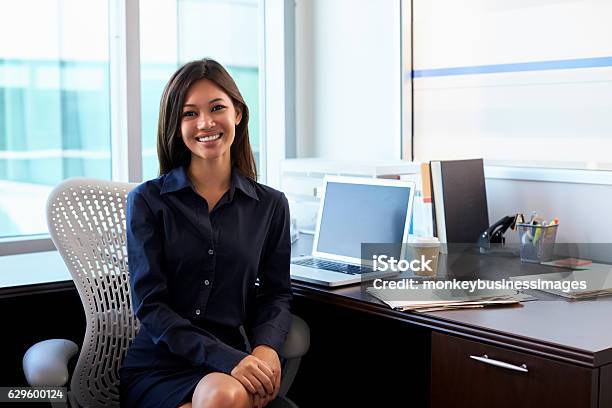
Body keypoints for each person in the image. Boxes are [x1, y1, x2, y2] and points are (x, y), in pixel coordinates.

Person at [120, 58, 293, 408]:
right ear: (176, 124)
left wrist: (266, 350)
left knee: (224, 395)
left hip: (235, 365)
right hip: (161, 364)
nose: (205, 123)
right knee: (224, 395)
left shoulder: (270, 205)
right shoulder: (148, 202)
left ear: (238, 114)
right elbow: (151, 306)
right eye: (189, 113)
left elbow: (276, 295)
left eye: (217, 108)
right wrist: (232, 361)